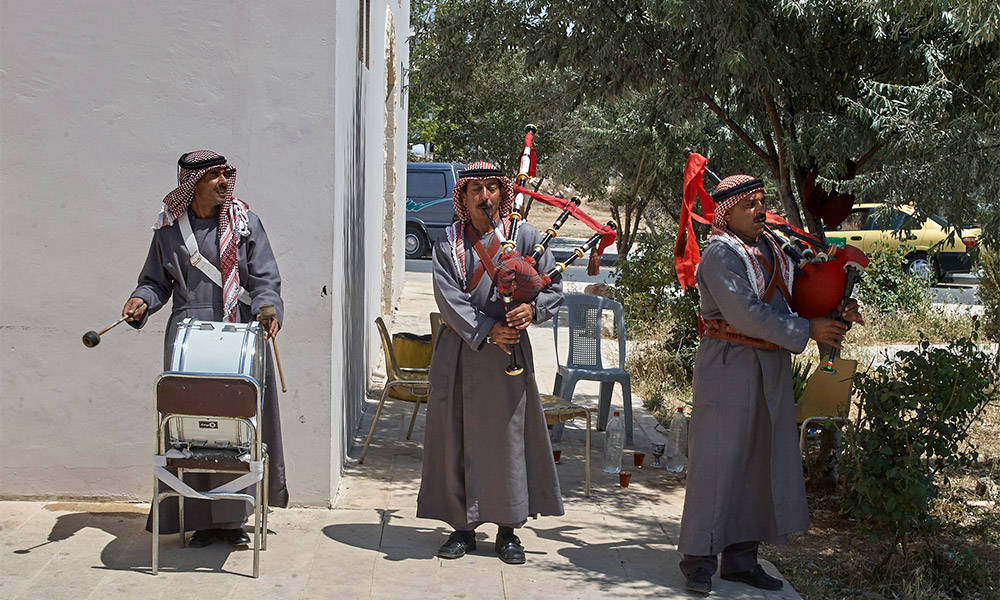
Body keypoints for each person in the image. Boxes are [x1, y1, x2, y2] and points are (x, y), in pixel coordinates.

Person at [677, 175, 862, 594]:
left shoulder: (773, 248)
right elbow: (745, 315)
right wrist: (809, 329)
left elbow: (800, 294)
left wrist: (836, 305)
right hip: (729, 365)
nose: (760, 211)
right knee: (718, 462)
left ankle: (741, 560)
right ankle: (698, 561)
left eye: (762, 202)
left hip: (771, 365)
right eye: (749, 205)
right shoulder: (720, 256)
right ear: (727, 214)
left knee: (758, 462)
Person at [123, 150, 288, 548]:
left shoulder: (244, 222)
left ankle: (232, 520)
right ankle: (197, 516)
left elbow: (265, 277)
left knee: (238, 430)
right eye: (213, 175)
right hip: (189, 336)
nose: (223, 181)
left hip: (240, 333)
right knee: (191, 432)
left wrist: (268, 307)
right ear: (191, 184)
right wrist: (141, 300)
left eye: (224, 173)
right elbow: (155, 281)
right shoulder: (167, 230)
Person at [416, 161, 564, 564]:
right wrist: (486, 329)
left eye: (492, 188)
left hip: (508, 357)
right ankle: (461, 529)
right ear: (463, 196)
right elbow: (447, 297)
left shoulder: (528, 236)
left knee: (507, 441)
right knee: (456, 438)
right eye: (475, 189)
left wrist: (532, 312)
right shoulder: (448, 243)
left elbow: (554, 287)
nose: (484, 196)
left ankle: (508, 530)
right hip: (461, 352)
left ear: (503, 193)